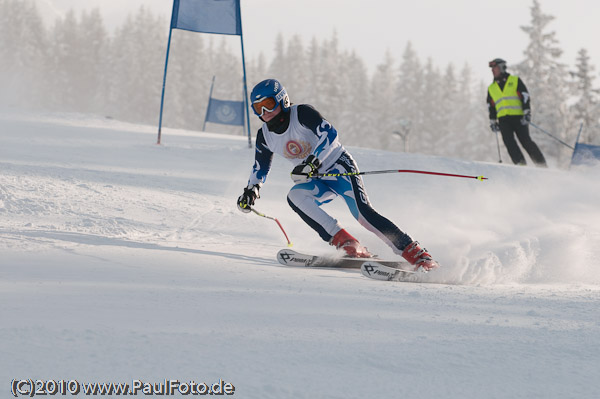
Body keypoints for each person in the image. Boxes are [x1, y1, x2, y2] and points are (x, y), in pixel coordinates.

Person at [236, 78, 439, 271]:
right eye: (258, 108)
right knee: (295, 196)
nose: (265, 111)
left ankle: (418, 255)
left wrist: (313, 161)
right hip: (317, 180)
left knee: (363, 214)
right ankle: (348, 244)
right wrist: (251, 190)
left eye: (269, 104)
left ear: (283, 99)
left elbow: (330, 135)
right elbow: (260, 168)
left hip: (339, 168)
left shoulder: (302, 114)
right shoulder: (265, 136)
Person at [487, 58, 547, 167]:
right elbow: (491, 106)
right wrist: (492, 121)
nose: (492, 70)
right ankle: (521, 165)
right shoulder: (491, 88)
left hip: (518, 118)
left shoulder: (514, 80)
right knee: (509, 143)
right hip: (503, 120)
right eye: (491, 69)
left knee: (526, 141)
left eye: (494, 68)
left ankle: (541, 165)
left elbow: (525, 96)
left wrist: (526, 112)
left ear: (502, 68)